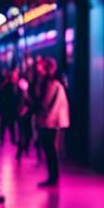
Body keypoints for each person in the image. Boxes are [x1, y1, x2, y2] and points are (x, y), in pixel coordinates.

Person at [36, 58, 69, 187]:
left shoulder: (51, 85)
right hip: (52, 122)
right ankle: (53, 177)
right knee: (50, 150)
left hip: (50, 122)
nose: (39, 70)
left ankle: (53, 177)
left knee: (50, 150)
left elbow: (45, 104)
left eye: (42, 67)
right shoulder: (54, 84)